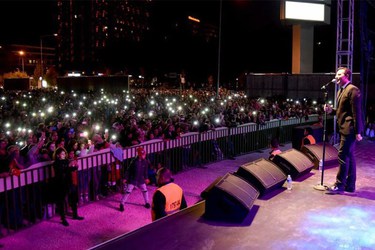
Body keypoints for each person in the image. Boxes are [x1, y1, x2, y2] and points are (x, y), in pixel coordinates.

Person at [324, 67, 363, 193]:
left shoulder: (353, 89)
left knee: (342, 155)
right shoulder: (341, 90)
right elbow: (342, 111)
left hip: (349, 129)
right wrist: (331, 110)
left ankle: (339, 185)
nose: (336, 77)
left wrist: (358, 131)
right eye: (336, 74)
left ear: (347, 75)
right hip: (344, 128)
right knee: (349, 156)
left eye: (339, 74)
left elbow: (356, 112)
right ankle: (350, 186)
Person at [53, 147, 84, 226]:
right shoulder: (56, 163)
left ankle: (75, 214)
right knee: (62, 200)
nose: (64, 155)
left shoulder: (66, 161)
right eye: (62, 154)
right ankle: (63, 218)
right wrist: (69, 166)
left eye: (64, 154)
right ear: (57, 155)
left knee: (73, 198)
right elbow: (62, 170)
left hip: (69, 181)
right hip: (61, 183)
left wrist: (75, 166)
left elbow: (70, 168)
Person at [119, 147, 151, 212]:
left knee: (145, 190)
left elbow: (145, 171)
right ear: (139, 155)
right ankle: (122, 203)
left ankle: (147, 202)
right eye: (142, 154)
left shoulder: (145, 162)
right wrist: (125, 178)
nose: (144, 156)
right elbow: (129, 170)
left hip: (140, 179)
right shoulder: (134, 161)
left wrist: (146, 178)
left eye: (144, 154)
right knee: (128, 191)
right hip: (133, 179)